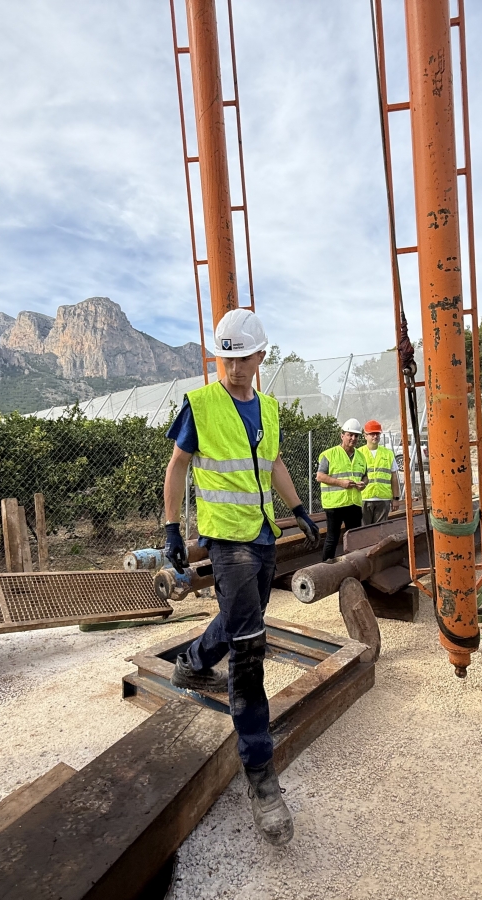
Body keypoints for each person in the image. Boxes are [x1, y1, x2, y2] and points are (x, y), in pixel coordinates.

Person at [161, 308, 320, 847]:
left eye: (241, 356)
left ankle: (192, 662)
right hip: (226, 540)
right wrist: (171, 530)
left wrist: (297, 508)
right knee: (250, 650)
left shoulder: (269, 408)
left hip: (263, 534)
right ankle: (261, 776)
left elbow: (271, 462)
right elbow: (178, 466)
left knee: (239, 622)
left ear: (259, 357)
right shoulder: (201, 405)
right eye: (224, 357)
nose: (232, 366)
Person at [315, 418, 368, 561]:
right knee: (332, 538)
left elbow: (365, 476)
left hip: (353, 504)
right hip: (334, 504)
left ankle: (352, 565)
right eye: (350, 434)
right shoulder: (329, 454)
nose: (353, 438)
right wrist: (341, 483)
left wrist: (363, 483)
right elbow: (320, 476)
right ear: (342, 435)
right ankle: (326, 568)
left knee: (354, 537)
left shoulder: (361, 457)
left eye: (356, 435)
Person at [359, 420, 399, 525]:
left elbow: (394, 477)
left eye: (377, 433)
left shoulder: (388, 454)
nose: (375, 436)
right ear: (365, 435)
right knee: (363, 531)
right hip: (364, 498)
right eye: (372, 434)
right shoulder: (358, 453)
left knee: (380, 532)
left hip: (383, 498)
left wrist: (395, 498)